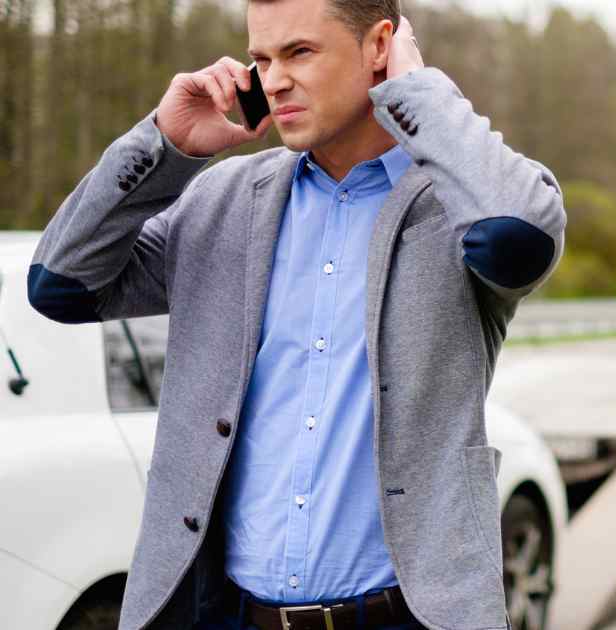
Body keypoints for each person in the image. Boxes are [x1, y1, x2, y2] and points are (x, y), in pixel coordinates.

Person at [27, 0, 566, 628]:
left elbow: (518, 240)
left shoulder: (462, 203)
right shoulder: (222, 200)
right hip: (223, 614)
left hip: (404, 617)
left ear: (379, 47)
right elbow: (59, 284)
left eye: (300, 53)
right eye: (261, 58)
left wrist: (417, 92)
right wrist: (163, 144)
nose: (273, 79)